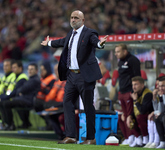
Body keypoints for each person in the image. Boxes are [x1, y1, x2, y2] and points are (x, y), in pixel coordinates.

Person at [41, 10, 108, 145]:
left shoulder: (89, 33)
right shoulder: (70, 34)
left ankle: (90, 138)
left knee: (88, 107)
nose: (73, 20)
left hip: (85, 76)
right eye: (71, 17)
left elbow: (95, 42)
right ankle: (71, 136)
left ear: (83, 20)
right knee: (67, 103)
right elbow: (61, 42)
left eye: (76, 17)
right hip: (71, 75)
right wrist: (49, 43)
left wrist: (101, 44)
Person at [0, 63, 40, 130]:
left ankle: (10, 124)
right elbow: (20, 90)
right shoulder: (30, 79)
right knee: (4, 102)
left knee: (6, 103)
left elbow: (22, 89)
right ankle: (9, 124)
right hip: (24, 99)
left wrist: (20, 91)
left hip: (30, 101)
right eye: (28, 69)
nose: (29, 71)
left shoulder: (35, 80)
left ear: (36, 71)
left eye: (31, 69)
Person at [114, 43, 141, 145]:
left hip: (130, 92)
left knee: (130, 116)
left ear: (125, 51)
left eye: (118, 51)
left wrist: (135, 92)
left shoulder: (133, 60)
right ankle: (130, 136)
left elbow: (137, 77)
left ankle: (137, 136)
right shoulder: (120, 61)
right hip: (122, 91)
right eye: (115, 52)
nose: (116, 54)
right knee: (124, 116)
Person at [0, 60, 28, 130]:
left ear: (20, 68)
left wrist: (4, 97)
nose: (13, 69)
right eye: (12, 67)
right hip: (15, 98)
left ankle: (11, 124)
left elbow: (16, 91)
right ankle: (7, 123)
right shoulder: (15, 77)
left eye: (15, 67)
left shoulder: (22, 78)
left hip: (22, 99)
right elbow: (10, 91)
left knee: (5, 103)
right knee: (1, 103)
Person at [126, 76, 153, 147]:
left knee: (140, 117)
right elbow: (135, 109)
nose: (133, 87)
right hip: (142, 115)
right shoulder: (135, 93)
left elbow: (143, 111)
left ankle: (145, 139)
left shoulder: (148, 94)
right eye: (133, 85)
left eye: (136, 84)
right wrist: (130, 116)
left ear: (142, 85)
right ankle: (138, 139)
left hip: (151, 116)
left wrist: (135, 100)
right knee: (129, 118)